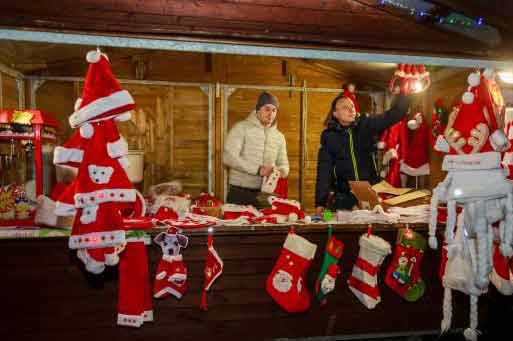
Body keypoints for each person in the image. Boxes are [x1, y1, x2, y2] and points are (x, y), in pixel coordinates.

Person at [315, 88, 411, 215]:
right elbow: (324, 170)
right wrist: (320, 203)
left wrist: (405, 92)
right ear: (335, 114)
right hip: (343, 197)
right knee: (338, 227)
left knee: (370, 230)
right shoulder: (329, 136)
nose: (351, 109)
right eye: (345, 107)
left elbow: (396, 114)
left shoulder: (366, 124)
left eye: (352, 106)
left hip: (370, 192)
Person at [223, 91, 289, 206]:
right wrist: (258, 169)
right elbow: (228, 157)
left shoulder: (279, 137)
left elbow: (284, 165)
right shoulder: (241, 128)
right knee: (236, 223)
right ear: (258, 110)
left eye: (274, 110)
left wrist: (279, 171)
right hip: (239, 193)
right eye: (267, 109)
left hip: (267, 195)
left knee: (264, 224)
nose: (271, 114)